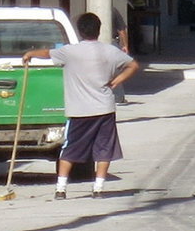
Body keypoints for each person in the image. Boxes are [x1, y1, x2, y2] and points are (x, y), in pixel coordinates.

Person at [20, 13, 140, 198]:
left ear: (80, 31)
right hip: (104, 109)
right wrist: (117, 80)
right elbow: (133, 65)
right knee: (104, 148)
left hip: (79, 111)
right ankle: (98, 188)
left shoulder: (70, 51)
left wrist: (30, 54)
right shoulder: (110, 51)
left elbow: (46, 53)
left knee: (70, 148)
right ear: (99, 30)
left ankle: (61, 188)